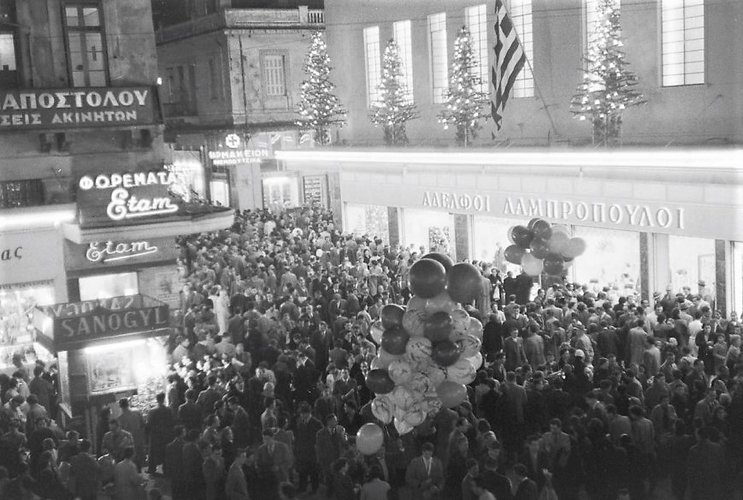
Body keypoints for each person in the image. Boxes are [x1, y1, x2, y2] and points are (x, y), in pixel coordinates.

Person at [295, 402, 323, 495]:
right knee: (302, 471)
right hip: (303, 452)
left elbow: (320, 437)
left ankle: (314, 489)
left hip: (312, 452)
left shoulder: (316, 423)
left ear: (308, 413)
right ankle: (302, 488)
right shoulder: (300, 422)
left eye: (303, 413)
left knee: (313, 472)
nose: (302, 415)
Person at [147, 392, 174, 475]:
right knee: (166, 452)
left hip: (156, 435)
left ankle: (152, 469)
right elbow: (172, 422)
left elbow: (149, 424)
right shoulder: (169, 410)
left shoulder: (152, 411)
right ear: (164, 399)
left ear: (156, 399)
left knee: (152, 452)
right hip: (166, 434)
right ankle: (166, 469)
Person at [118, 398, 147, 471]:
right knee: (141, 459)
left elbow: (121, 433)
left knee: (132, 461)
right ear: (128, 404)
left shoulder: (120, 418)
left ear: (120, 406)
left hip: (129, 442)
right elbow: (143, 424)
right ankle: (141, 477)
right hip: (139, 439)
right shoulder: (137, 412)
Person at [164, 425, 186, 500]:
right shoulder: (185, 445)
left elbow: (167, 461)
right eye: (184, 431)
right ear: (181, 433)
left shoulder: (169, 446)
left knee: (176, 492)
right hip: (181, 472)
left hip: (175, 472)